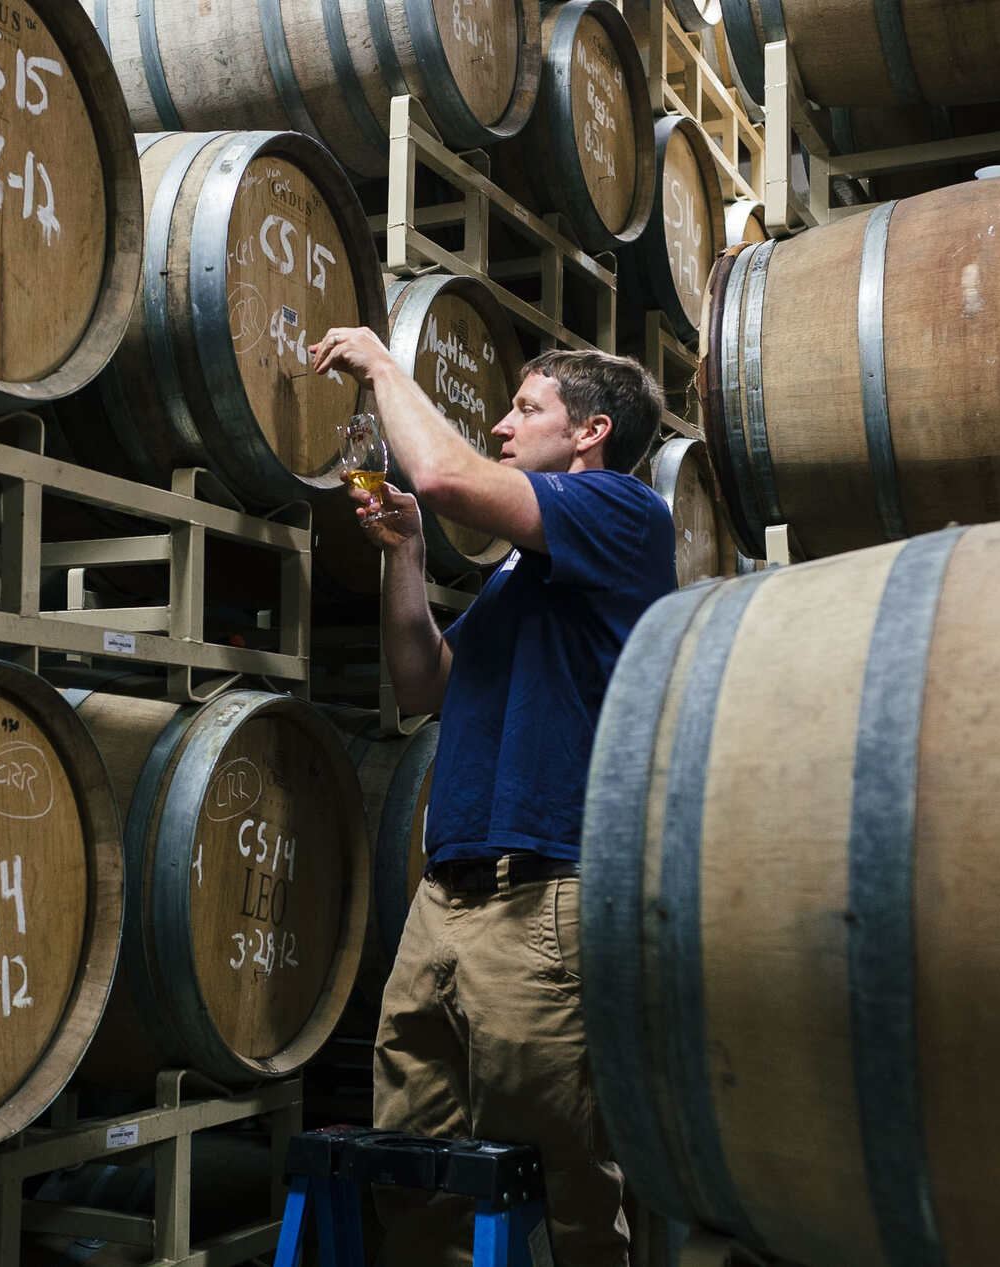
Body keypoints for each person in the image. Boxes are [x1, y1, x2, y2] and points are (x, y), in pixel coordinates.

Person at [312, 329, 677, 1267]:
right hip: (444, 901)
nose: (504, 424)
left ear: (591, 432)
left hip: (540, 901)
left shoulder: (623, 514)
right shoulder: (521, 576)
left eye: (528, 408)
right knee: (417, 1175)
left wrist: (386, 368)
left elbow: (441, 474)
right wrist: (405, 553)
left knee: (562, 1194)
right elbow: (423, 685)